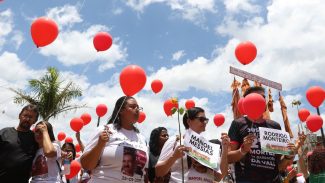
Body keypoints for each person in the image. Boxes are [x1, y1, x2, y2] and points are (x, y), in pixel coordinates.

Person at [227, 86, 297, 183]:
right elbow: (228, 157)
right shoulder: (238, 124)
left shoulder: (275, 126)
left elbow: (279, 165)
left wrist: (288, 155)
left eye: (263, 98)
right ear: (247, 101)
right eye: (257, 97)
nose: (261, 100)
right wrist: (243, 150)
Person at [81, 96, 148, 183]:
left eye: (138, 107)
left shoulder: (142, 138)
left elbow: (143, 173)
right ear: (121, 110)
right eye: (132, 106)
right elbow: (86, 165)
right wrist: (100, 144)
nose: (137, 109)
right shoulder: (105, 130)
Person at [156, 107, 229, 183]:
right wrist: (174, 157)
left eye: (206, 120)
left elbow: (218, 177)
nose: (205, 122)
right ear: (189, 121)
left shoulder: (209, 147)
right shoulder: (175, 141)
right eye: (201, 119)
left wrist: (225, 148)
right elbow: (159, 172)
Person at [0, 104, 39, 182]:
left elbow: (47, 152)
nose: (27, 119)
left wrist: (63, 154)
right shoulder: (4, 132)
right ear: (19, 116)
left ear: (35, 121)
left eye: (31, 117)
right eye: (25, 115)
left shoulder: (35, 139)